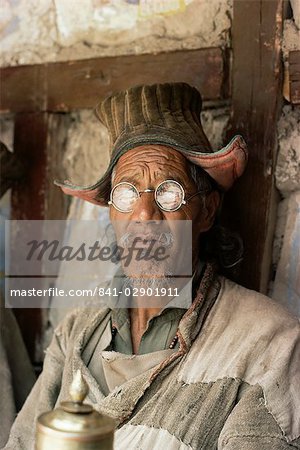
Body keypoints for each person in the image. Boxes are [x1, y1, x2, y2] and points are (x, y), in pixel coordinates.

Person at [3, 83, 299, 449]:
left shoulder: (268, 342)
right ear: (111, 213)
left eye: (168, 192)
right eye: (126, 193)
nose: (145, 215)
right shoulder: (76, 332)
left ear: (205, 211)